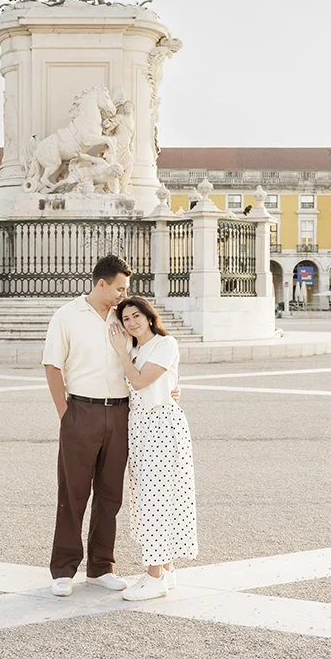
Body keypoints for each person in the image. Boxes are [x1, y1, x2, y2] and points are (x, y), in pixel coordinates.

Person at [41, 254, 134, 596]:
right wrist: (65, 413)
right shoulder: (67, 316)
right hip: (81, 411)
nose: (124, 294)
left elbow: (148, 351)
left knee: (110, 494)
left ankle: (101, 566)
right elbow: (52, 366)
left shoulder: (125, 317)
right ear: (101, 284)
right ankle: (63, 569)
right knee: (73, 493)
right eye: (119, 288)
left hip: (120, 413)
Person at [107, 296, 199, 601]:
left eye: (136, 316)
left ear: (149, 317)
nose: (131, 322)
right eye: (126, 318)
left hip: (161, 425)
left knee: (156, 497)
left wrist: (121, 354)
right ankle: (167, 569)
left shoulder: (164, 343)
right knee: (152, 497)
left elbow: (142, 381)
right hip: (141, 428)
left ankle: (154, 575)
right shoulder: (136, 348)